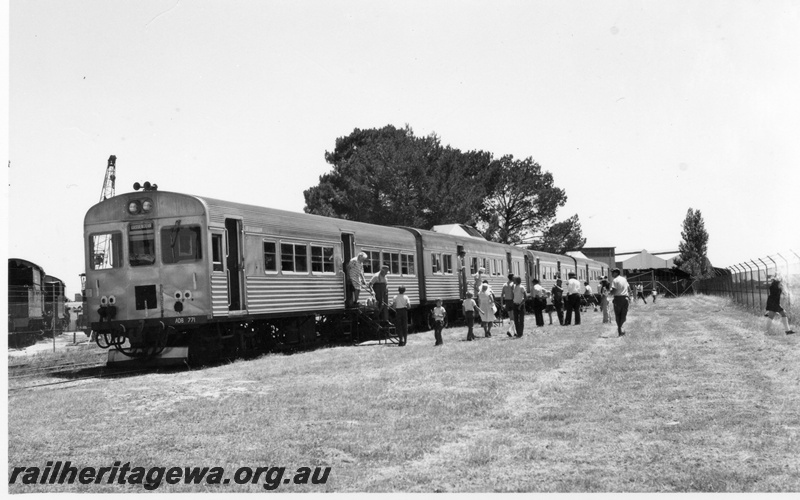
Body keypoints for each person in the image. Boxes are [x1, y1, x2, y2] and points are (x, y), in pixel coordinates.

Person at [608, 268, 631, 336]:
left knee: (618, 315)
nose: (611, 274)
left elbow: (614, 291)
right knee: (623, 314)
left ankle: (620, 329)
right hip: (625, 298)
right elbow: (629, 289)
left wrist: (609, 293)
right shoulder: (624, 279)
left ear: (616, 273)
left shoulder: (615, 280)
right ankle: (621, 328)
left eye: (612, 272)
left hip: (618, 299)